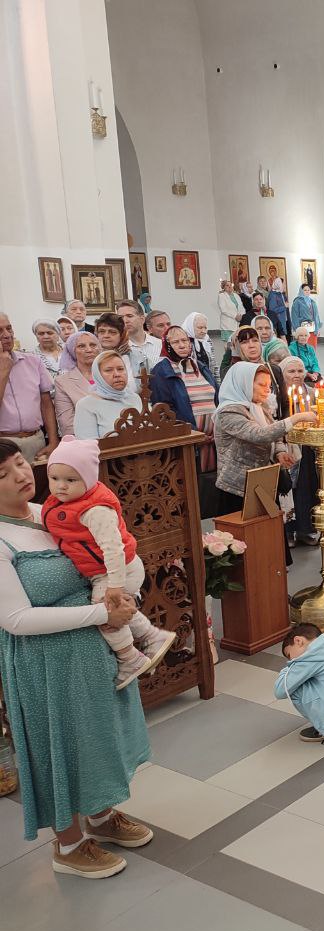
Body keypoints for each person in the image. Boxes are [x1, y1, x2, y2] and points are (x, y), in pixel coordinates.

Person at [0, 438, 155, 878]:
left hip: (90, 648)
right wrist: (101, 611)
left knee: (96, 737)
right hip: (44, 661)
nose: (21, 475)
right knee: (59, 746)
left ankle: (102, 818)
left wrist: (123, 590)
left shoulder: (53, 508)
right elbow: (14, 618)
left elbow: (105, 555)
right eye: (5, 473)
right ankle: (68, 846)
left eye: (21, 463)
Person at [42, 436, 177, 688]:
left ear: (89, 479)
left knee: (107, 613)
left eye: (71, 480)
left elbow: (113, 548)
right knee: (120, 608)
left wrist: (115, 584)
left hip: (116, 570)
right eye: (54, 478)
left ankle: (130, 659)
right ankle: (153, 635)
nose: (61, 486)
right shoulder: (66, 501)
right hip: (104, 571)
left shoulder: (94, 510)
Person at [212, 362, 316, 517]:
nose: (267, 390)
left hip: (263, 482)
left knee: (270, 533)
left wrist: (279, 453)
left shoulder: (259, 406)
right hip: (238, 488)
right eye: (261, 385)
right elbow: (259, 434)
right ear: (244, 384)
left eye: (268, 385)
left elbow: (275, 433)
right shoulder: (229, 412)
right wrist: (296, 418)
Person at [150, 326, 218, 472]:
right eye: (175, 342)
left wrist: (218, 430)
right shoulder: (161, 371)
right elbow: (163, 411)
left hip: (214, 441)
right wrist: (194, 434)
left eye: (184, 340)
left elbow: (217, 399)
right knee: (195, 486)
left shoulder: (200, 367)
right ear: (167, 345)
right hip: (188, 443)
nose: (181, 345)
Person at [0, 312, 59, 462]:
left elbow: (46, 404)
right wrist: (4, 370)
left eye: (9, 329)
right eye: (0, 331)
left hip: (36, 441)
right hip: (4, 446)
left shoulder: (33, 361)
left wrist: (52, 441)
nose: (7, 335)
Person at [277, 356, 318, 545]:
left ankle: (305, 530)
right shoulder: (278, 395)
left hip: (308, 449)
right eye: (291, 371)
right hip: (287, 448)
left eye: (300, 371)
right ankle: (288, 532)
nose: (296, 375)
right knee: (288, 489)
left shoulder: (312, 392)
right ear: (282, 373)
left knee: (306, 489)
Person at [73, 352, 140, 440]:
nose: (117, 374)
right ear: (98, 375)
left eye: (120, 369)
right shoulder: (86, 405)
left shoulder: (134, 398)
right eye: (108, 370)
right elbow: (88, 445)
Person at [53, 330, 101, 437]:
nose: (89, 350)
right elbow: (67, 424)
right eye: (81, 346)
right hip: (83, 441)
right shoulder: (63, 382)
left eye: (93, 345)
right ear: (72, 351)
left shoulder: (110, 373)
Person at [117, 300, 162, 370]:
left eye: (129, 316)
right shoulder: (118, 347)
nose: (125, 320)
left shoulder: (160, 344)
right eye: (121, 317)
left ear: (142, 319)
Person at [181, 312, 217, 381]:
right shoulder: (184, 342)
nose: (203, 331)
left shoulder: (207, 340)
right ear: (190, 326)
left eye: (205, 328)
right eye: (200, 328)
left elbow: (213, 364)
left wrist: (217, 383)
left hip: (208, 380)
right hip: (192, 382)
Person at [289, 319, 322, 384]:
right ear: (297, 337)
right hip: (299, 374)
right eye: (301, 335)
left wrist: (315, 373)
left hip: (312, 373)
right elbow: (295, 366)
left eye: (305, 335)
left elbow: (315, 362)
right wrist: (308, 374)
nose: (304, 338)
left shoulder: (311, 348)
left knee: (321, 384)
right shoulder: (292, 349)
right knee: (309, 386)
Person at [267, 278, 291, 342]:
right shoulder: (273, 295)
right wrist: (284, 306)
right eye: (283, 284)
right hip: (278, 321)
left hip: (285, 320)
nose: (284, 286)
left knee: (287, 341)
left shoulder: (281, 294)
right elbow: (272, 310)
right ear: (279, 284)